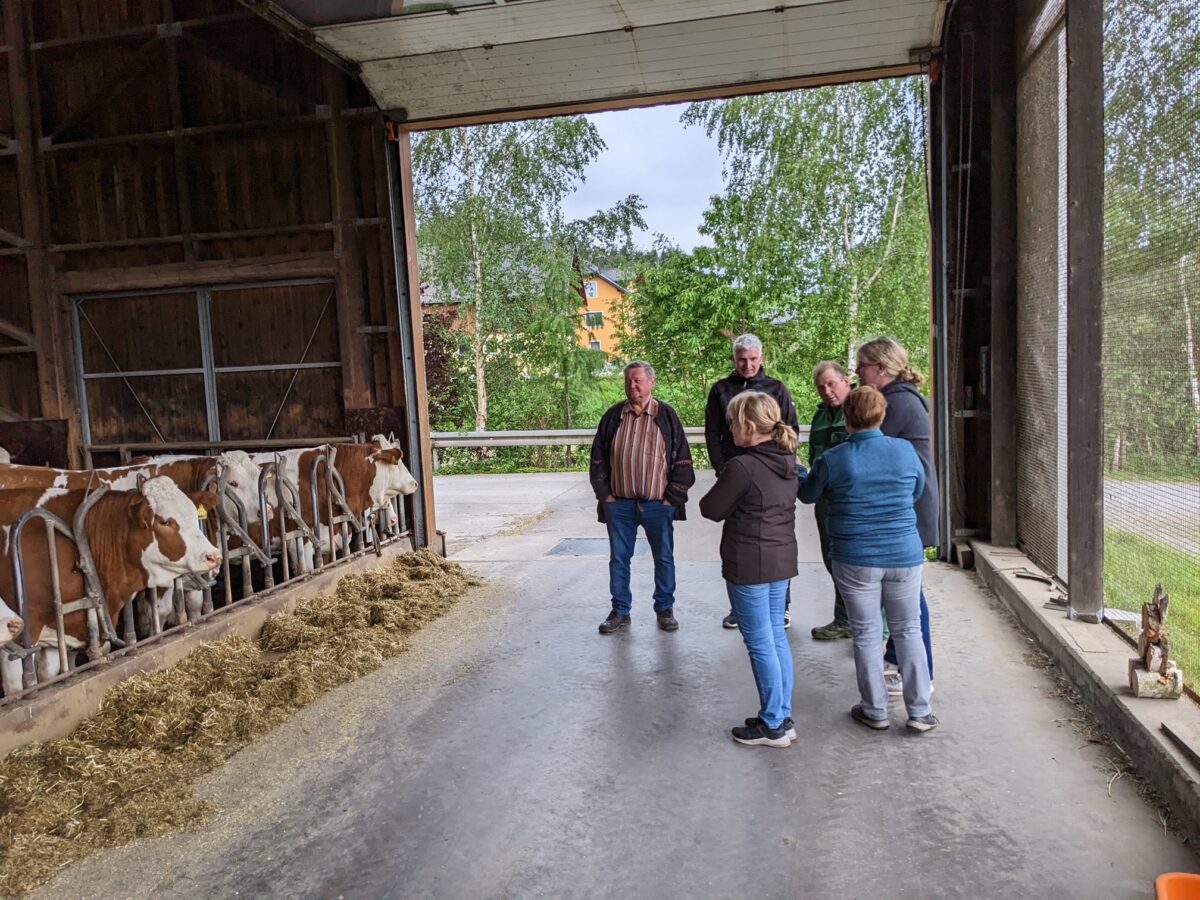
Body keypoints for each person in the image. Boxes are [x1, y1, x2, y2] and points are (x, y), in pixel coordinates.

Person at [799, 386, 937, 733]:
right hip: (904, 554)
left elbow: (808, 495)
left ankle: (875, 710)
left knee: (866, 632)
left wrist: (800, 471)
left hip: (855, 557)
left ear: (847, 418)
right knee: (908, 629)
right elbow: (917, 490)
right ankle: (920, 711)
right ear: (882, 414)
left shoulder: (834, 458)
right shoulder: (905, 451)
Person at [700, 391, 800, 748]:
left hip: (749, 562)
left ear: (748, 425)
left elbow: (710, 508)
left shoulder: (742, 467)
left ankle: (772, 724)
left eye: (732, 423)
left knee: (760, 643)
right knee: (775, 639)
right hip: (781, 560)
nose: (729, 430)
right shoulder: (788, 459)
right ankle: (782, 716)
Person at [855, 337, 938, 692]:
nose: (857, 372)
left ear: (880, 368)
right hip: (907, 507)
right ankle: (896, 659)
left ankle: (922, 673)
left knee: (909, 601)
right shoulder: (902, 397)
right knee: (902, 597)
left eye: (862, 366)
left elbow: (866, 444)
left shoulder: (898, 403)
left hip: (908, 511)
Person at [590, 361, 695, 634]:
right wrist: (605, 496)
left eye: (637, 380)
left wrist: (672, 498)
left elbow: (683, 460)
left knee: (663, 558)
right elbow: (597, 458)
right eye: (628, 380)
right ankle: (620, 610)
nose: (632, 385)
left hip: (658, 504)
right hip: (620, 504)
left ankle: (665, 609)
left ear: (651, 382)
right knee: (619, 559)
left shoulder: (667, 416)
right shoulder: (613, 416)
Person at [703, 333, 800, 630]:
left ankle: (781, 606)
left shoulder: (776, 388)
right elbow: (713, 432)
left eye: (753, 359)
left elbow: (791, 429)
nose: (747, 365)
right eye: (742, 360)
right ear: (734, 360)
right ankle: (741, 607)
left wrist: (782, 466)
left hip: (770, 471)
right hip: (735, 473)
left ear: (762, 358)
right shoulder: (721, 389)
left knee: (772, 534)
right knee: (740, 537)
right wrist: (722, 468)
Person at [807, 361, 853, 641]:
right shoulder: (821, 414)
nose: (827, 391)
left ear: (846, 381)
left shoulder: (859, 409)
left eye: (831, 384)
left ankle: (873, 625)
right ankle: (844, 619)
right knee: (832, 561)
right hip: (824, 498)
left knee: (856, 564)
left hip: (850, 500)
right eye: (821, 387)